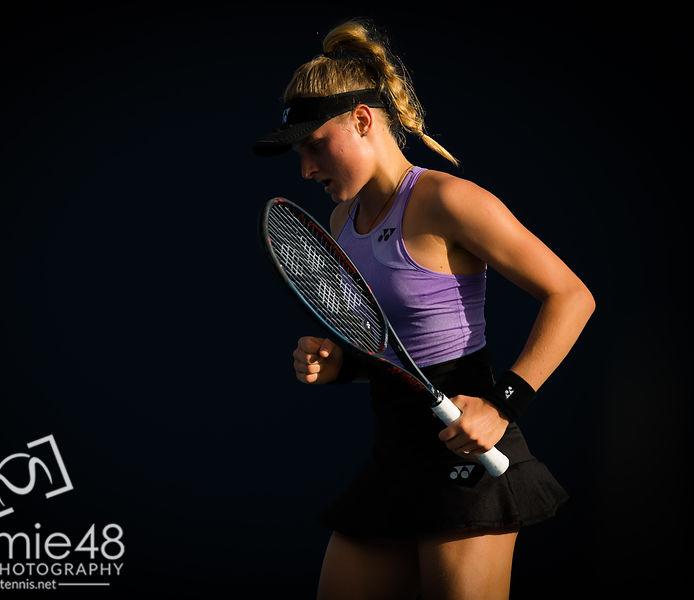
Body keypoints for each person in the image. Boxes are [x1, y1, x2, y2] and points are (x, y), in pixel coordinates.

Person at [252, 18, 595, 600]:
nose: (306, 168)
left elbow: (572, 296)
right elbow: (389, 342)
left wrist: (501, 405)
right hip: (394, 456)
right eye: (298, 152)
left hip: (469, 454)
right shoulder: (340, 220)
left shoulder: (448, 199)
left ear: (362, 120)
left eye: (314, 144)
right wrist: (342, 363)